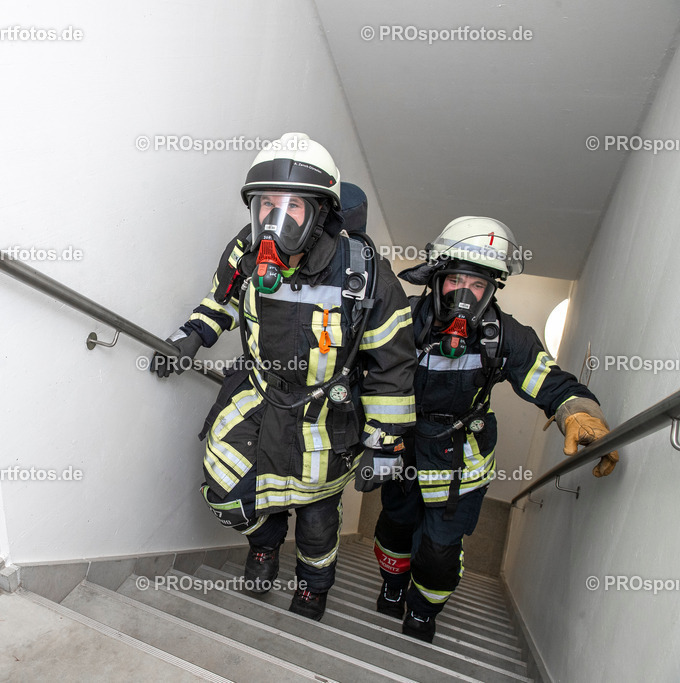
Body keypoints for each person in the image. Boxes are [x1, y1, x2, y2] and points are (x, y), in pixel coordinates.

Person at [152, 132, 417, 621]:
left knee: (316, 521)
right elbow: (220, 302)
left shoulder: (366, 273)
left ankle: (314, 587)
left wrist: (384, 443)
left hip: (324, 413)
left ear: (321, 213)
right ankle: (263, 547)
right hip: (259, 394)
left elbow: (392, 367)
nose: (274, 217)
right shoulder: (245, 250)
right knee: (234, 491)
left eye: (292, 206)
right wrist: (190, 338)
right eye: (266, 203)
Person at [369, 216, 620, 642]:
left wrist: (576, 411)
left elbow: (551, 382)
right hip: (405, 448)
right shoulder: (403, 320)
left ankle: (425, 609)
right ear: (436, 279)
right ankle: (393, 586)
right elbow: (367, 371)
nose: (464, 295)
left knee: (439, 551)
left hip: (459, 463)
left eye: (478, 285)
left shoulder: (506, 337)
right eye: (455, 281)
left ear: (492, 291)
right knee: (395, 526)